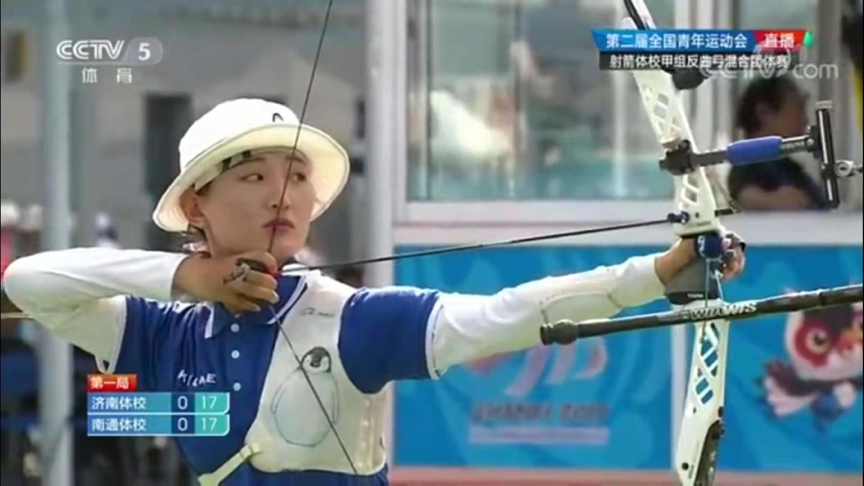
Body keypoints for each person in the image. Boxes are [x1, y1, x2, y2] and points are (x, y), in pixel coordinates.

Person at [2, 98, 745, 485]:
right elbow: (29, 282)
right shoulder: (163, 331)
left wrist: (658, 271)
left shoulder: (351, 320)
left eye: (297, 177)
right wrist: (191, 278)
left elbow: (509, 314)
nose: (282, 195)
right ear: (197, 203)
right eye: (254, 176)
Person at [728, 76, 829, 211]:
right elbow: (744, 195)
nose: (805, 120)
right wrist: (769, 201)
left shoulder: (789, 167)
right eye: (798, 108)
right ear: (764, 113)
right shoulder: (747, 163)